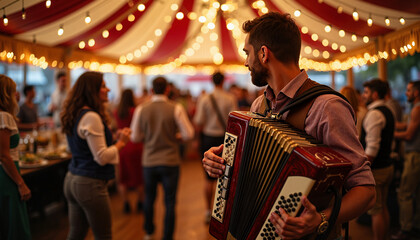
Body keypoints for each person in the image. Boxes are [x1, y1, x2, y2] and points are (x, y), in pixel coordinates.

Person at [201, 12, 375, 240]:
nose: (245, 62)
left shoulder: (327, 107)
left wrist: (321, 218)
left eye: (247, 53)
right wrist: (219, 161)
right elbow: (246, 168)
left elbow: (366, 190)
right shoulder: (259, 104)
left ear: (264, 54)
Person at [61, 71, 131, 240]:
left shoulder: (76, 112)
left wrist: (113, 138)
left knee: (76, 234)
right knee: (103, 236)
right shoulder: (91, 116)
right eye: (103, 86)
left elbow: (82, 147)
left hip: (72, 178)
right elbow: (101, 157)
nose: (107, 90)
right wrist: (122, 142)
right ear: (92, 90)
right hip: (89, 183)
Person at [130, 76, 194, 240]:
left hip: (149, 161)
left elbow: (135, 137)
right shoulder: (176, 108)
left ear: (151, 90)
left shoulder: (141, 109)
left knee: (149, 199)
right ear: (167, 90)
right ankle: (167, 236)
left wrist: (148, 134)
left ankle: (149, 232)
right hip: (170, 161)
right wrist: (177, 136)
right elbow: (189, 134)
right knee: (170, 201)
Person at [193, 72, 238, 223]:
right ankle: (224, 211)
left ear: (211, 81)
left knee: (208, 178)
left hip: (208, 138)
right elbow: (235, 120)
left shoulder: (204, 98)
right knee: (227, 175)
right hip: (225, 139)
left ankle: (208, 210)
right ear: (223, 80)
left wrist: (196, 140)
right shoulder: (230, 98)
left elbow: (199, 121)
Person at [361, 79, 395, 240]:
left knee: (376, 210)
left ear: (374, 95)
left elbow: (372, 148)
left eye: (366, 92)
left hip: (377, 169)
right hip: (387, 165)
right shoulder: (387, 110)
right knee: (383, 208)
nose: (363, 96)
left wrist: (363, 169)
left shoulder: (374, 113)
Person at [0, 75, 32, 240]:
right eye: (13, 91)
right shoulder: (4, 117)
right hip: (7, 174)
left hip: (6, 172)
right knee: (15, 225)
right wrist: (21, 183)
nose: (17, 95)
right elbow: (4, 156)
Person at [391, 80, 420, 240]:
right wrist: (390, 123)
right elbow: (407, 126)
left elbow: (409, 135)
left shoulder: (417, 109)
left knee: (404, 193)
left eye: (408, 91)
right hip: (416, 154)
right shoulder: (415, 109)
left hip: (415, 155)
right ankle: (416, 226)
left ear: (416, 93)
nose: (406, 93)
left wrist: (390, 134)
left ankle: (406, 230)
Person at [113, 89, 144, 214]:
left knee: (123, 177)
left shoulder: (117, 112)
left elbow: (117, 129)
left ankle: (126, 203)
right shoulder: (135, 111)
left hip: (121, 146)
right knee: (138, 177)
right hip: (135, 145)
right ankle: (140, 202)